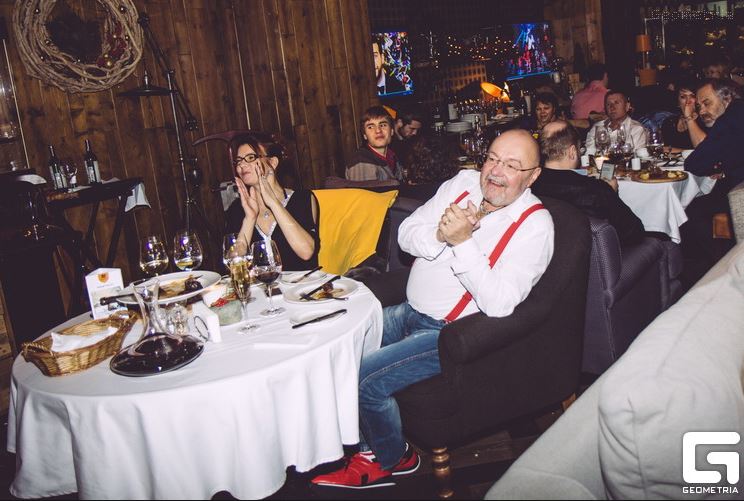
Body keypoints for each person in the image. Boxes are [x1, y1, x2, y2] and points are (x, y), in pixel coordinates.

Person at [311, 130, 554, 489]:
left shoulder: (535, 226)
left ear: (532, 176)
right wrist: (440, 236)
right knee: (336, 348)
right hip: (409, 310)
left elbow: (501, 303)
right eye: (492, 158)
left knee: (362, 378)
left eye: (511, 165)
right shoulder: (464, 182)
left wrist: (463, 242)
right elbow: (407, 233)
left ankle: (387, 458)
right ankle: (355, 441)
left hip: (448, 334)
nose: (495, 171)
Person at [532, 121, 644, 246]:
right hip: (594, 255)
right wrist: (611, 193)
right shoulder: (595, 190)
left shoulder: (530, 184)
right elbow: (634, 232)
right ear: (572, 151)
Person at [225, 133, 319, 271]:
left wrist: (274, 203)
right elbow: (233, 267)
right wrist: (249, 219)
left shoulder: (302, 199)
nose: (242, 165)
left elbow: (306, 252)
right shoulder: (237, 209)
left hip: (302, 284)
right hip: (260, 285)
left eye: (250, 158)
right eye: (238, 161)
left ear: (273, 162)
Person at [681, 78, 743, 285]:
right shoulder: (738, 113)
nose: (703, 110)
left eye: (707, 102)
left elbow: (695, 163)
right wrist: (722, 167)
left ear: (726, 98)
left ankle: (719, 270)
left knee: (689, 211)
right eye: (700, 106)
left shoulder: (730, 118)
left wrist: (715, 164)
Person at [345, 106, 402, 182]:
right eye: (371, 127)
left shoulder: (392, 156)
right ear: (365, 135)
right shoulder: (361, 161)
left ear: (391, 131)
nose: (378, 130)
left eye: (383, 125)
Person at [585, 89, 647, 155]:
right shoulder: (597, 127)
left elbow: (638, 157)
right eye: (608, 104)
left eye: (616, 103)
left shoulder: (636, 129)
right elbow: (589, 153)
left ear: (627, 106)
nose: (612, 107)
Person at [660, 76, 703, 150]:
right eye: (683, 97)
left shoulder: (704, 121)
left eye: (692, 96)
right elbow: (663, 150)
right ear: (678, 101)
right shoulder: (669, 123)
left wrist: (689, 117)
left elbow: (703, 148)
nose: (688, 101)